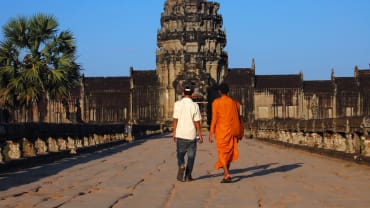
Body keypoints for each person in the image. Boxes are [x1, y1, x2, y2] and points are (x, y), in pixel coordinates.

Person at [208, 83, 240, 183]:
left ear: (219, 92)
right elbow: (238, 117)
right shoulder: (233, 102)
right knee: (228, 153)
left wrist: (211, 132)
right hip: (231, 130)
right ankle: (227, 172)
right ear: (227, 91)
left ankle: (226, 174)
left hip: (221, 131)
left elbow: (214, 119)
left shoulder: (216, 103)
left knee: (222, 153)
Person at [173, 86, 204, 182]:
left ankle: (181, 165)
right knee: (191, 157)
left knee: (180, 154)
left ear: (183, 93)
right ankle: (188, 176)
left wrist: (174, 132)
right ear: (192, 94)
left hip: (180, 133)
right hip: (191, 135)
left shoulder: (177, 104)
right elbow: (197, 122)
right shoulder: (195, 105)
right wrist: (200, 134)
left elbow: (175, 119)